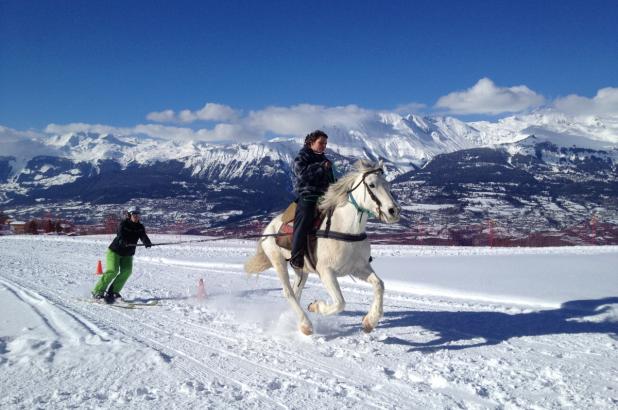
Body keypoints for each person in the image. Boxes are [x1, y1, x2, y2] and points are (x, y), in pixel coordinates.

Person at [290, 130, 335, 271]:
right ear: (311, 143)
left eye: (325, 143)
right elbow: (301, 174)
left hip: (325, 196)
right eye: (321, 143)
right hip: (308, 195)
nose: (324, 146)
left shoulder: (324, 159)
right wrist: (320, 167)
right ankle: (296, 255)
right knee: (305, 217)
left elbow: (332, 180)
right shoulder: (302, 156)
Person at [92, 206, 152, 303]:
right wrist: (123, 241)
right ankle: (97, 291)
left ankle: (113, 292)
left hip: (128, 253)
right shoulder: (123, 224)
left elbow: (143, 236)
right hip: (115, 251)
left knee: (127, 271)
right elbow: (120, 235)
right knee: (113, 270)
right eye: (134, 214)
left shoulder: (140, 227)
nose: (136, 216)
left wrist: (147, 242)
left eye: (138, 215)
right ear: (129, 215)